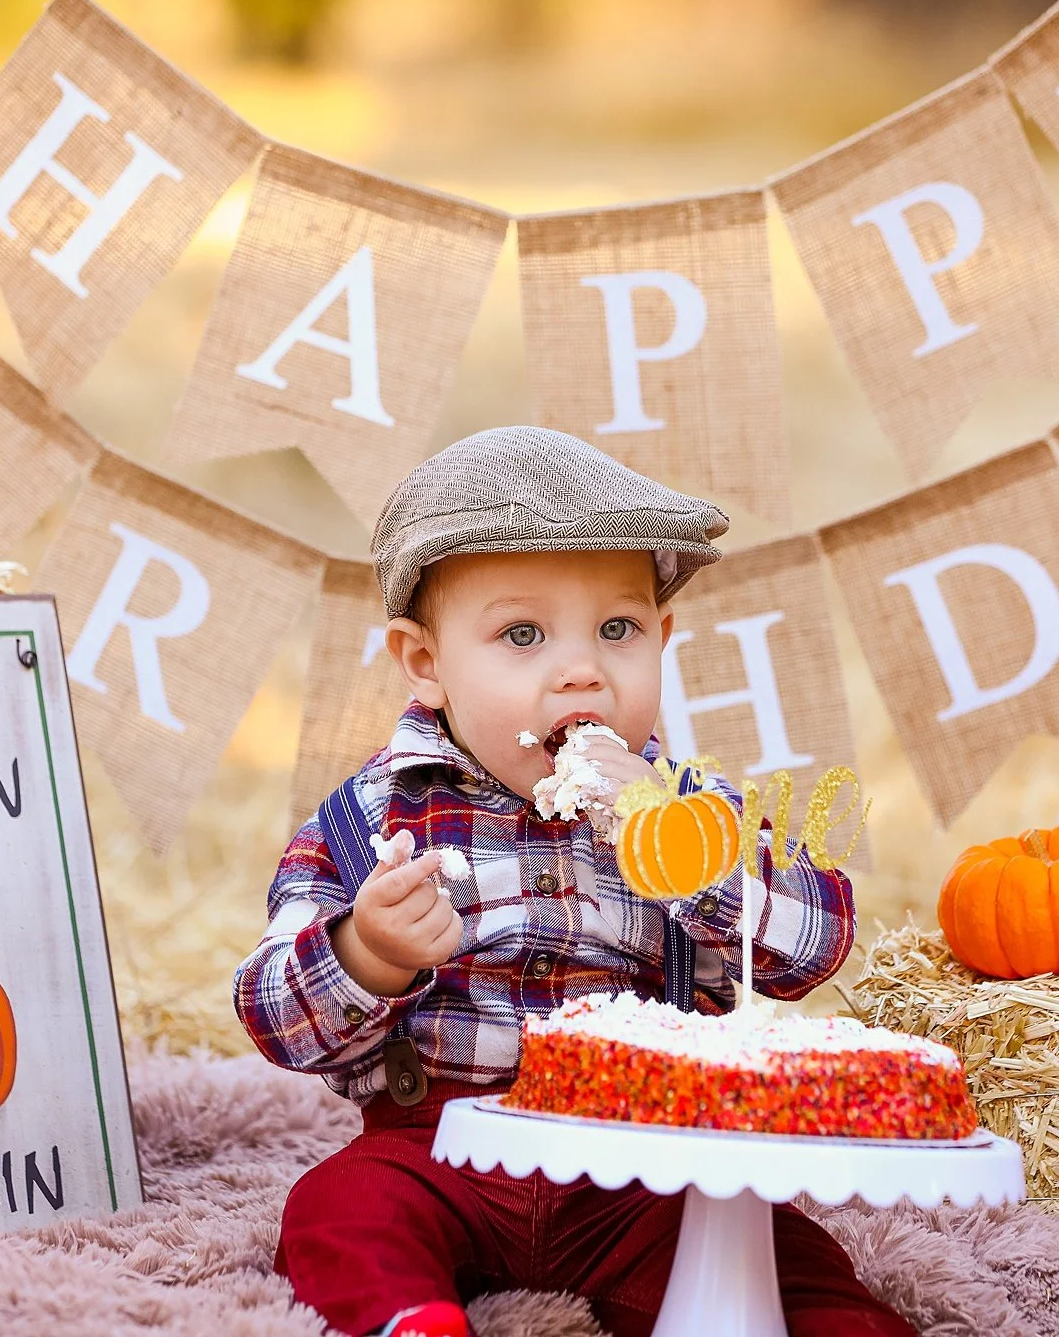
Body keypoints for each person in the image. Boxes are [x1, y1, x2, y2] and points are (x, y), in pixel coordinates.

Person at [234, 426, 913, 1337]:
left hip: (642, 1173)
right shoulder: (370, 819)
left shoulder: (686, 807)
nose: (584, 667)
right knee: (340, 1207)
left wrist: (684, 855)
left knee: (772, 1245)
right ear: (425, 662)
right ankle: (412, 1320)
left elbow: (814, 942)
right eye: (522, 633)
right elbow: (272, 1014)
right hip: (437, 1150)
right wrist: (367, 951)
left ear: (663, 638)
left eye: (620, 629)